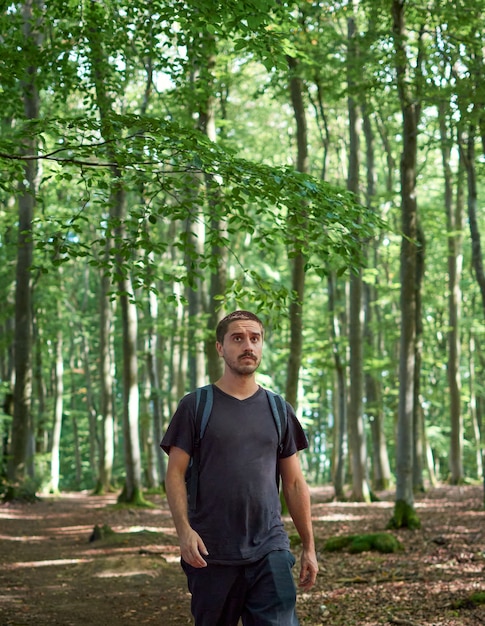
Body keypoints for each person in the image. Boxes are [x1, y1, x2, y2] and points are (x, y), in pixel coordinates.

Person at [161, 310, 318, 626]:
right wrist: (184, 532)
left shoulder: (278, 409)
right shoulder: (196, 406)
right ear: (220, 348)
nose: (248, 346)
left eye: (255, 338)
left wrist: (309, 547)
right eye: (237, 338)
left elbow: (295, 484)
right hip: (211, 553)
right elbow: (175, 473)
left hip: (269, 549)